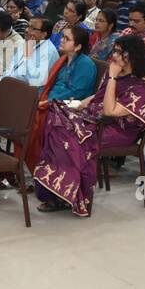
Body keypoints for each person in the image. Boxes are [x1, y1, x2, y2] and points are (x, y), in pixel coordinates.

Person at [32, 34, 145, 216]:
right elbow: (99, 97)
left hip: (117, 130)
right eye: (114, 50)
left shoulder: (142, 87)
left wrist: (112, 78)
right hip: (94, 120)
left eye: (118, 52)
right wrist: (81, 103)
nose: (113, 55)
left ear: (131, 56)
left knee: (69, 135)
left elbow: (110, 111)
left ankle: (70, 195)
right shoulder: (115, 73)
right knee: (53, 120)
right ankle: (54, 190)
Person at [19, 25, 99, 177]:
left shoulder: (85, 65)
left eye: (66, 39)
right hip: (51, 100)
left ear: (78, 46)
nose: (61, 40)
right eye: (62, 36)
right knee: (22, 110)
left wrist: (47, 102)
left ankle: (41, 168)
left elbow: (76, 93)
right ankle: (25, 164)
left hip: (71, 108)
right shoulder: (63, 59)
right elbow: (49, 84)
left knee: (36, 117)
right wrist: (36, 97)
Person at [4, 17, 59, 87]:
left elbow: (37, 82)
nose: (26, 30)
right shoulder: (28, 43)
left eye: (33, 28)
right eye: (28, 26)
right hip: (9, 85)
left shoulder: (49, 52)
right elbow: (11, 67)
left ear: (44, 34)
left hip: (25, 91)